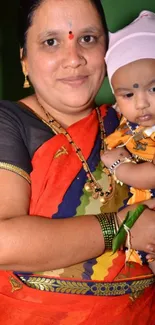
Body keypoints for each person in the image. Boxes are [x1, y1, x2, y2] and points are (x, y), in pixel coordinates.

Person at [0, 1, 154, 324]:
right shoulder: (9, 123)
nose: (74, 59)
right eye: (51, 42)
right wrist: (123, 227)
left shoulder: (130, 125)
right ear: (24, 60)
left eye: (87, 39)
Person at [102, 11, 155, 274]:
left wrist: (122, 167)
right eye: (128, 94)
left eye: (153, 89)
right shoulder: (126, 127)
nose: (142, 102)